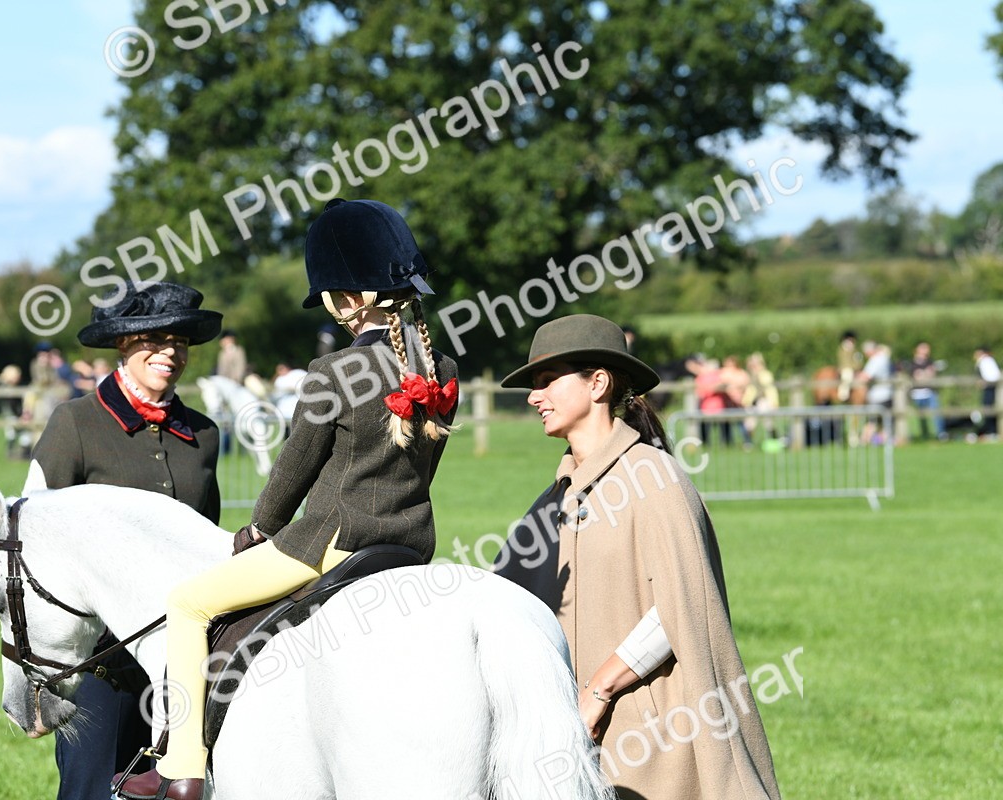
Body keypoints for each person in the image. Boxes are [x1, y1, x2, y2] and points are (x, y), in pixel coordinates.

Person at [114, 198, 459, 800]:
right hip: (407, 544)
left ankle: (182, 767)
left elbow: (292, 472)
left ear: (347, 299)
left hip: (330, 542)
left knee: (189, 603)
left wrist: (256, 532)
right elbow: (422, 467)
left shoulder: (332, 371)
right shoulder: (438, 367)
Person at [493, 314, 780, 800]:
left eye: (547, 382)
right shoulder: (555, 498)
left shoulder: (655, 477)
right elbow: (504, 594)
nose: (533, 397)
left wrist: (601, 690)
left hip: (657, 730)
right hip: (577, 729)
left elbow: (684, 606)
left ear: (598, 382)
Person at [21, 281, 225, 800]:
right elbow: (31, 545)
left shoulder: (203, 434)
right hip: (100, 664)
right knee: (90, 791)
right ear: (123, 345)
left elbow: (207, 541)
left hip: (186, 661)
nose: (170, 352)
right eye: (153, 339)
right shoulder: (74, 423)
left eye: (179, 341)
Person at [901, 342, 946, 441]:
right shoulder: (911, 363)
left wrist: (923, 374)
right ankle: (924, 435)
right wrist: (925, 374)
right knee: (921, 416)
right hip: (916, 394)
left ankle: (941, 434)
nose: (926, 351)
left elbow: (930, 375)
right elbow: (917, 377)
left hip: (929, 392)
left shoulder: (930, 362)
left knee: (936, 413)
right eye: (924, 348)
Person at [858, 340, 894, 445]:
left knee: (871, 421)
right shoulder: (884, 358)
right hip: (887, 394)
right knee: (885, 422)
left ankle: (863, 442)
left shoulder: (875, 360)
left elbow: (865, 377)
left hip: (877, 396)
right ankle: (884, 442)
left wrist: (858, 376)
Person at [973, 344, 999, 441]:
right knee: (988, 409)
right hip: (990, 388)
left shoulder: (985, 360)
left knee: (989, 409)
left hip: (990, 388)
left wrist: (984, 382)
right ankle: (990, 431)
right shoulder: (988, 360)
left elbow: (992, 376)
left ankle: (991, 431)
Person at [836, 330, 862, 403]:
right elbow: (845, 360)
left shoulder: (854, 348)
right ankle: (844, 394)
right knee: (847, 375)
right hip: (846, 368)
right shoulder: (844, 348)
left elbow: (857, 358)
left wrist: (858, 367)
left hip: (854, 368)